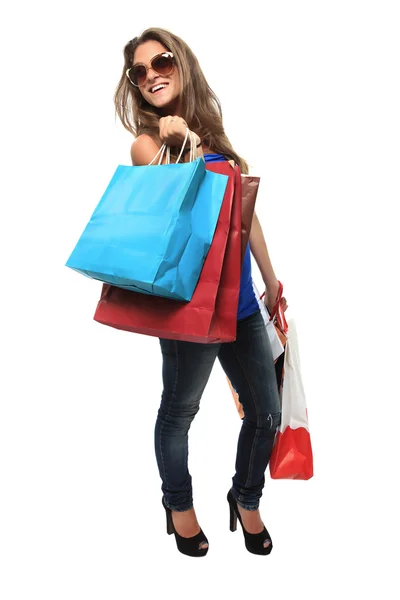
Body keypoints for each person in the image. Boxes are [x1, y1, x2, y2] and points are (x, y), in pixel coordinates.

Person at [114, 27, 288, 557]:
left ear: (181, 63)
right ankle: (179, 505)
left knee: (265, 413)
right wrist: (178, 144)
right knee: (179, 412)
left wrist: (272, 277)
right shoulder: (150, 143)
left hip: (239, 305)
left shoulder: (213, 137)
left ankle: (246, 498)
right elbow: (178, 213)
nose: (151, 76)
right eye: (138, 72)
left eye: (160, 61)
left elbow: (242, 217)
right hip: (192, 308)